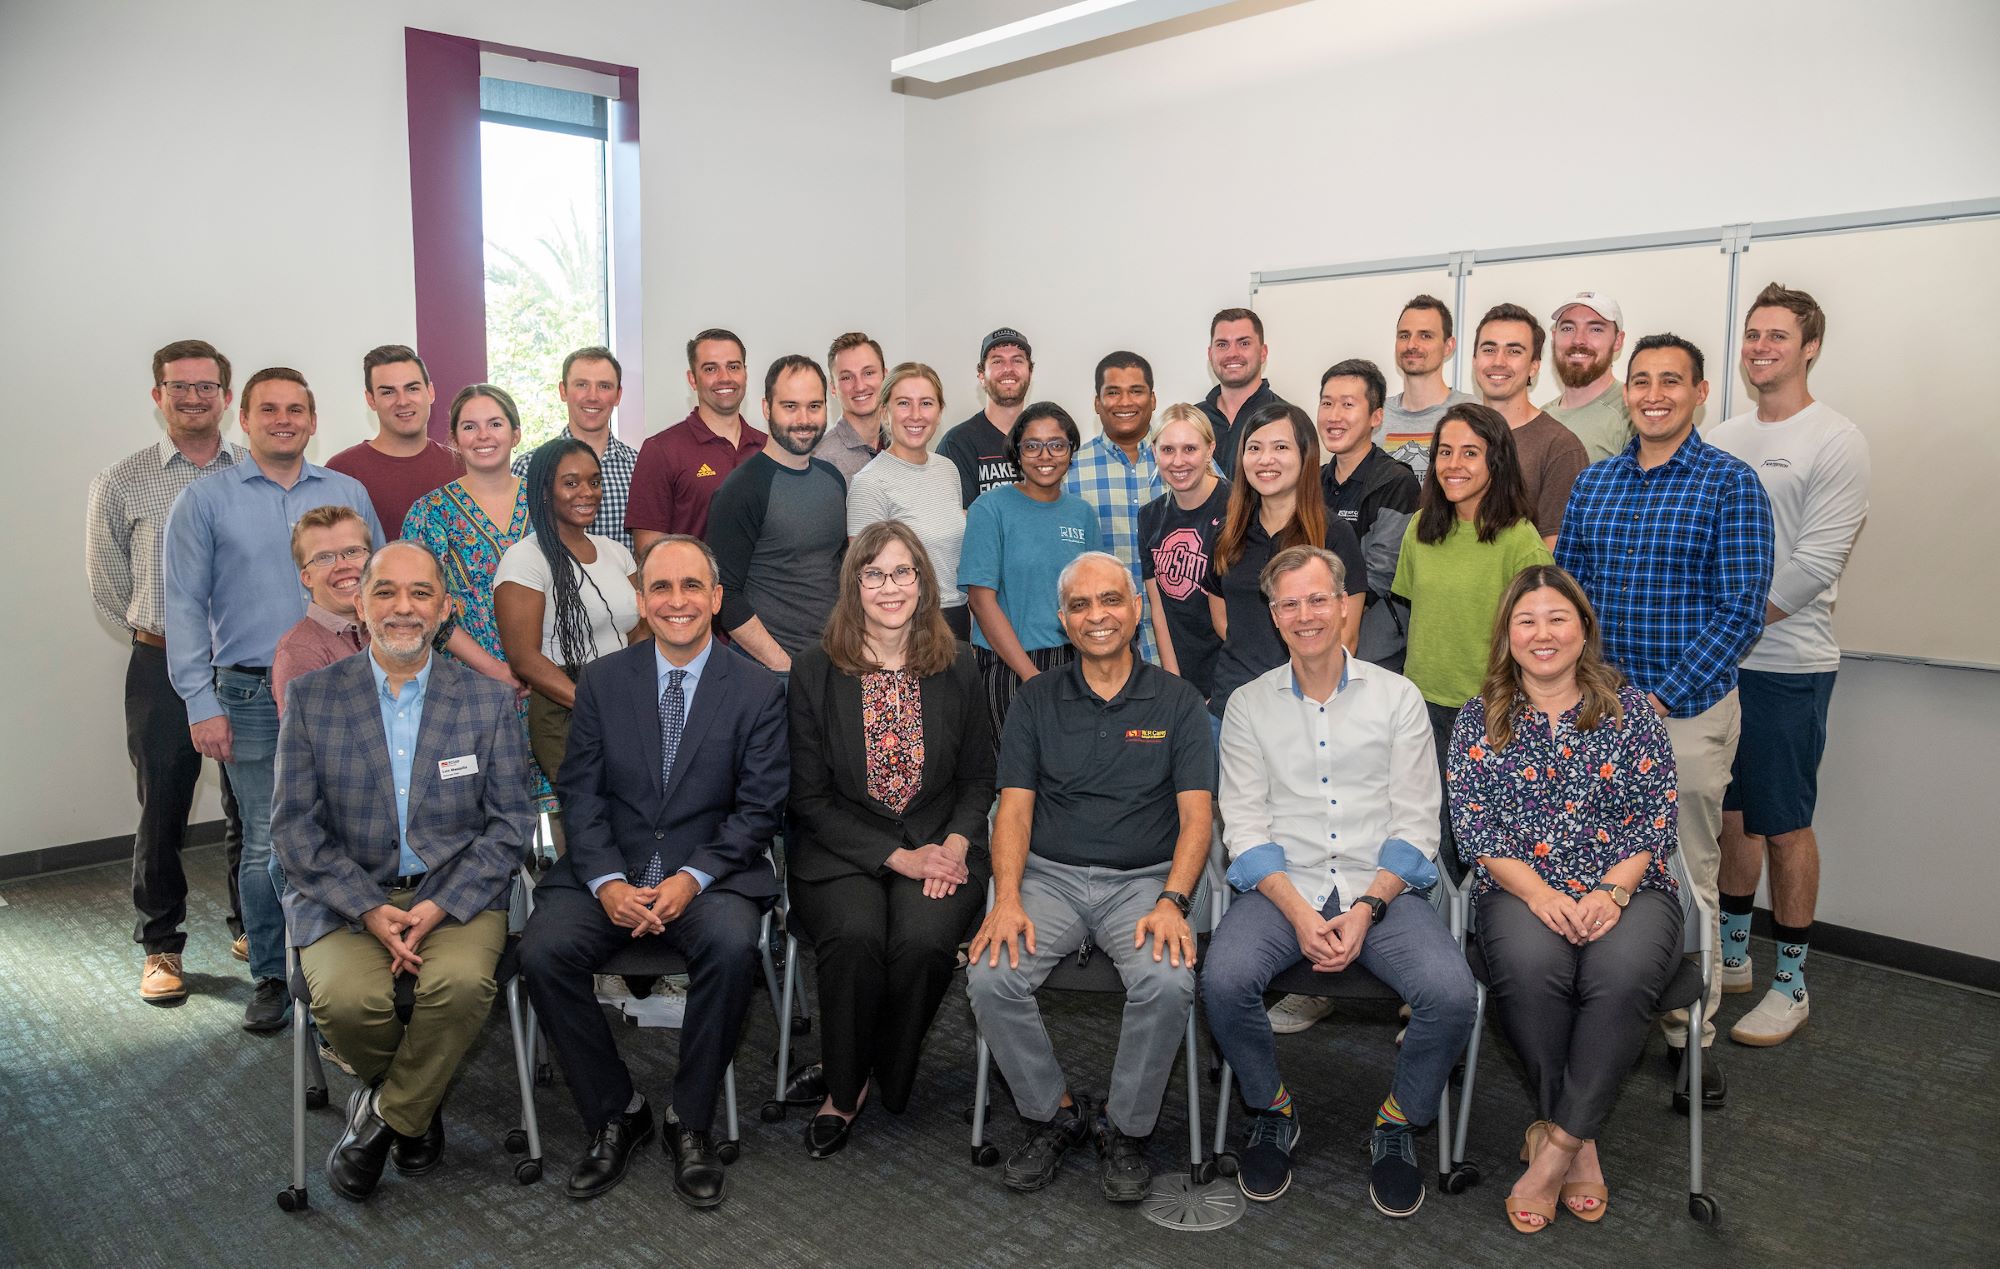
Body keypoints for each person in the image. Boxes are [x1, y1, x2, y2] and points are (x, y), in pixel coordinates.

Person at [1204, 545, 1475, 1214]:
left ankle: (1397, 1121)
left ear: (1345, 602)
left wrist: (1363, 908)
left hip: (1379, 886)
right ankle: (1272, 1107)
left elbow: (1416, 823)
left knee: (1451, 993)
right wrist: (1299, 913)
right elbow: (1244, 825)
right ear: (1274, 616)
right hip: (1283, 887)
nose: (1306, 614)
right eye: (1290, 603)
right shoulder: (1247, 706)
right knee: (1222, 978)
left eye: (1318, 598)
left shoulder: (1398, 697)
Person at [520, 534, 787, 1209]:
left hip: (709, 875)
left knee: (732, 947)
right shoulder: (604, 682)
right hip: (610, 867)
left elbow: (759, 809)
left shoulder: (756, 690)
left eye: (692, 586)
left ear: (717, 599)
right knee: (542, 950)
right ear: (641, 599)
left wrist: (690, 878)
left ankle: (688, 1120)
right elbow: (578, 793)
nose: (677, 601)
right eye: (661, 587)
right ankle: (618, 1110)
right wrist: (608, 880)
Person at [273, 541, 531, 1202]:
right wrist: (366, 906)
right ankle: (419, 1098)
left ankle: (385, 1117)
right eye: (385, 591)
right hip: (343, 896)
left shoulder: (488, 700)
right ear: (360, 604)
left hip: (456, 895)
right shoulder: (311, 699)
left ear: (446, 609)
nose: (403, 608)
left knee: (462, 982)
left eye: (421, 593)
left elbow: (509, 824)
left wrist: (440, 906)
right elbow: (293, 828)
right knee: (350, 1001)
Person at [1556, 333, 1774, 1110]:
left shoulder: (1731, 485)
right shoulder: (1597, 483)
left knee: (1685, 872)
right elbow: (1569, 594)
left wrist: (1658, 696)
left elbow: (1739, 610)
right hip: (1594, 705)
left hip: (1684, 710)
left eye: (1670, 381)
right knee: (1587, 858)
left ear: (1698, 392)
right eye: (1641, 380)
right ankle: (1597, 1009)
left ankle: (1691, 1036)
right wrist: (1583, 684)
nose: (1653, 393)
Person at [965, 552, 1214, 1203]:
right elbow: (1012, 810)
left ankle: (1125, 1127)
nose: (1097, 615)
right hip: (1049, 876)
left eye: (1110, 601)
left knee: (1166, 980)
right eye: (1080, 605)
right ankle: (1055, 1113)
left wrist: (1172, 901)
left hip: (1146, 881)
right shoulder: (1037, 698)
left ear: (1135, 610)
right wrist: (1008, 898)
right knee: (990, 974)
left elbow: (1196, 819)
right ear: (1063, 620)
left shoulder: (1177, 701)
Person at [1448, 565, 1684, 1233]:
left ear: (1583, 630)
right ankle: (1581, 1140)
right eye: (1526, 620)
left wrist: (1612, 888)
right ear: (1507, 635)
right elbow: (1475, 828)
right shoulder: (1479, 718)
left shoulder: (1630, 711)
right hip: (1521, 889)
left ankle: (1553, 1148)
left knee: (1622, 972)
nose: (1542, 633)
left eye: (1558, 618)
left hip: (1629, 886)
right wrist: (1542, 892)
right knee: (1531, 970)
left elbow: (1656, 818)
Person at [163, 367, 384, 1031]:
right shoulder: (205, 501)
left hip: (349, 678)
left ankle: (341, 959)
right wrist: (200, 701)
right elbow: (181, 604)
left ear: (314, 420)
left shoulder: (347, 491)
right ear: (245, 420)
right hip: (252, 692)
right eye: (269, 410)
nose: (283, 419)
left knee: (350, 828)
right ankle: (271, 972)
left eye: (296, 409)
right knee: (267, 842)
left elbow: (377, 581)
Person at [786, 522, 995, 1158]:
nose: (889, 587)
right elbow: (808, 797)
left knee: (925, 942)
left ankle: (877, 1069)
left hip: (941, 843)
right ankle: (843, 1094)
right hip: (841, 848)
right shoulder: (815, 669)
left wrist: (957, 845)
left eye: (903, 572)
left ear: (924, 583)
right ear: (853, 587)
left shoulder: (959, 661)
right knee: (852, 937)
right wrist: (898, 856)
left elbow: (980, 775)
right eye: (873, 575)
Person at [1709, 283, 1871, 1047]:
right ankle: (1735, 959)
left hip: (1786, 662)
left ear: (1810, 346)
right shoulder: (1721, 434)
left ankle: (1792, 981)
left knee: (1783, 823)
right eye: (1751, 335)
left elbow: (1815, 563)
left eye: (1777, 335)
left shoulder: (1835, 438)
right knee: (1731, 816)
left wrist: (1731, 626)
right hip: (1721, 660)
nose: (1760, 347)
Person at [86, 338, 249, 1001]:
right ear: (158, 397)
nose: (192, 397)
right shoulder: (123, 479)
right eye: (178, 387)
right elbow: (108, 585)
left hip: (246, 662)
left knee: (254, 803)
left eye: (205, 386)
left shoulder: (254, 472)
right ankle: (161, 945)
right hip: (160, 663)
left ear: (226, 397)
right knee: (164, 808)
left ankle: (253, 922)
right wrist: (162, 626)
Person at [1392, 402, 1553, 844]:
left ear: (1495, 461)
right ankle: (1436, 915)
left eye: (1469, 453)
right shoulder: (1420, 528)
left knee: (1490, 836)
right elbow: (1412, 613)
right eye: (1444, 452)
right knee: (1432, 830)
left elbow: (1542, 638)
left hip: (1496, 709)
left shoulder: (1519, 539)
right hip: (1423, 706)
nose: (1453, 465)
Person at [404, 385, 556, 812]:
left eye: (495, 424)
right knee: (475, 808)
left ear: (517, 433)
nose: (483, 435)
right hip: (468, 684)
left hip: (550, 678)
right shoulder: (429, 512)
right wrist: (497, 671)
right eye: (469, 426)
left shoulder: (547, 501)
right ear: (454, 438)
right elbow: (421, 609)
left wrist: (537, 670)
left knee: (564, 805)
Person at [1202, 403, 1365, 734]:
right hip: (1232, 706)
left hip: (1306, 710)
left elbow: (1346, 633)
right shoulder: (1225, 533)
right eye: (1254, 448)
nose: (1265, 460)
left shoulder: (1332, 534)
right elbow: (1223, 620)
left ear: (1305, 456)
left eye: (1281, 447)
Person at [496, 440, 641, 790]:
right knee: (593, 817)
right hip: (565, 708)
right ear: (546, 490)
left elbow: (640, 629)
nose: (587, 492)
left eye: (594, 481)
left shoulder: (617, 552)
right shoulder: (525, 559)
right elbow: (524, 658)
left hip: (624, 699)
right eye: (571, 483)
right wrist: (593, 704)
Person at [957, 402, 1103, 741]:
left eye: (1057, 444)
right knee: (1020, 783)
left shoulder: (1082, 514)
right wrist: (1029, 674)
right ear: (1017, 453)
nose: (1045, 455)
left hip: (1076, 662)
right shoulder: (990, 509)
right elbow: (980, 601)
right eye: (1032, 446)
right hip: (1011, 665)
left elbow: (1094, 596)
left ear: (1070, 451)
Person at [707, 355, 847, 674]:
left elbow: (836, 569)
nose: (804, 418)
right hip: (769, 673)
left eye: (814, 406)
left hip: (832, 663)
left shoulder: (833, 480)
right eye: (790, 406)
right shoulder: (742, 489)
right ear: (767, 408)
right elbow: (724, 594)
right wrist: (785, 667)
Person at [847, 362, 973, 640]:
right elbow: (865, 578)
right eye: (904, 403)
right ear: (884, 412)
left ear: (939, 412)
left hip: (957, 616)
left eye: (926, 403)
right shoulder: (870, 483)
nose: (916, 415)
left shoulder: (947, 469)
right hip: (907, 624)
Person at [1317, 358, 1422, 670]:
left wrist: (1315, 605)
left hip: (1374, 652)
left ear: (1376, 416)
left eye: (1347, 404)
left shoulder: (1395, 481)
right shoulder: (1311, 481)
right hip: (1314, 643)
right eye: (1327, 403)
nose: (1334, 416)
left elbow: (1379, 574)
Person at [627, 329, 767, 551]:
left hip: (761, 586)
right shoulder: (660, 451)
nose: (725, 377)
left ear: (745, 373)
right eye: (711, 368)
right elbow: (648, 552)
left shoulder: (768, 448)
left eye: (733, 367)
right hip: (695, 585)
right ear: (692, 379)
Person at [1066, 351, 1164, 663]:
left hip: (1180, 638)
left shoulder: (1183, 458)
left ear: (1153, 399)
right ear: (1097, 402)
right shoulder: (1070, 471)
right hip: (1103, 640)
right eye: (1113, 392)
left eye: (1136, 391)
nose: (1125, 402)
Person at [1471, 303, 1587, 548]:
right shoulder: (1455, 436)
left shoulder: (1560, 447)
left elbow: (1552, 555)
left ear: (1534, 366)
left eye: (1514, 351)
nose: (1498, 361)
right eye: (1489, 349)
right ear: (1474, 360)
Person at [1140, 404, 1230, 700]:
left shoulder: (1238, 506)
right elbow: (1159, 610)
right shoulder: (1149, 517)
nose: (1178, 461)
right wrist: (1176, 686)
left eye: (1190, 448)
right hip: (1183, 681)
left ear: (1209, 450)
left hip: (1235, 677)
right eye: (1167, 450)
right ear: (1154, 452)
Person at [326, 345, 464, 535]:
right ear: (371, 400)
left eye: (412, 388)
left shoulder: (462, 467)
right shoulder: (342, 472)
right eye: (388, 392)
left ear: (430, 392)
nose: (402, 401)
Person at [510, 346, 638, 550]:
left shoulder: (639, 467)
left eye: (604, 386)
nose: (592, 396)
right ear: (563, 391)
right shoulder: (529, 467)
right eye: (581, 385)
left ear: (618, 395)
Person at [270, 506, 372, 715]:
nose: (342, 566)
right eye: (324, 557)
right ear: (307, 577)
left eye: (352, 551)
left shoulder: (390, 630)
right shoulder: (300, 652)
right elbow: (309, 741)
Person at [1377, 295, 1477, 483]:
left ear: (1448, 346)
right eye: (1404, 335)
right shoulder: (1375, 415)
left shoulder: (1473, 411)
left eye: (1425, 336)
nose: (1412, 345)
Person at [937, 328, 1032, 508]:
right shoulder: (957, 444)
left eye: (1017, 360)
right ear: (981, 375)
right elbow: (957, 521)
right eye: (997, 361)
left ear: (1030, 373)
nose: (1008, 369)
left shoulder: (1046, 439)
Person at [1541, 293, 1635, 463]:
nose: (1578, 340)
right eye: (1568, 328)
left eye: (1595, 329)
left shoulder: (1633, 412)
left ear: (1617, 341)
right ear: (1554, 337)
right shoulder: (1542, 416)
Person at [1199, 308, 1287, 477]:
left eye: (1244, 343)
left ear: (1263, 352)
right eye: (1222, 345)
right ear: (1211, 354)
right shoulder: (1195, 420)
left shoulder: (1286, 418)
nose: (1232, 353)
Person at [812, 331, 886, 481]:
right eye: (847, 377)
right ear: (833, 387)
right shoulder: (821, 461)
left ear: (886, 377)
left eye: (868, 373)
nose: (860, 386)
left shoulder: (903, 445)